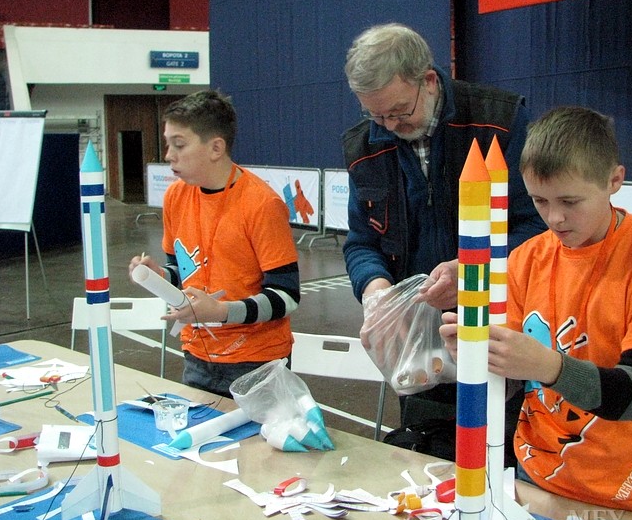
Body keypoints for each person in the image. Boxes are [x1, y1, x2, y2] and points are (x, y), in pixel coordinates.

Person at [440, 106, 632, 518]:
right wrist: (478, 355)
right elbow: (508, 382)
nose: (554, 218)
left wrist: (548, 366)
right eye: (539, 201)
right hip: (537, 481)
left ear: (614, 181)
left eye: (570, 201)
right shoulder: (526, 259)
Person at [342, 23, 546, 454]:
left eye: (399, 111)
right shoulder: (365, 148)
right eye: (375, 115)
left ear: (429, 81)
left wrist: (473, 270)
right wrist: (378, 295)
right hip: (418, 350)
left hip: (502, 336)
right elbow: (361, 242)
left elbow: (538, 227)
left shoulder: (500, 123)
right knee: (428, 462)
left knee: (500, 457)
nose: (389, 125)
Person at [128, 90, 300, 396]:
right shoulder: (175, 196)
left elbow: (286, 296)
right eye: (168, 144)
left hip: (257, 363)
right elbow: (183, 272)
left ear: (216, 148)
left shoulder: (262, 204)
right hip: (197, 356)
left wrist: (221, 311)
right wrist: (160, 276)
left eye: (179, 144)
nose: (168, 155)